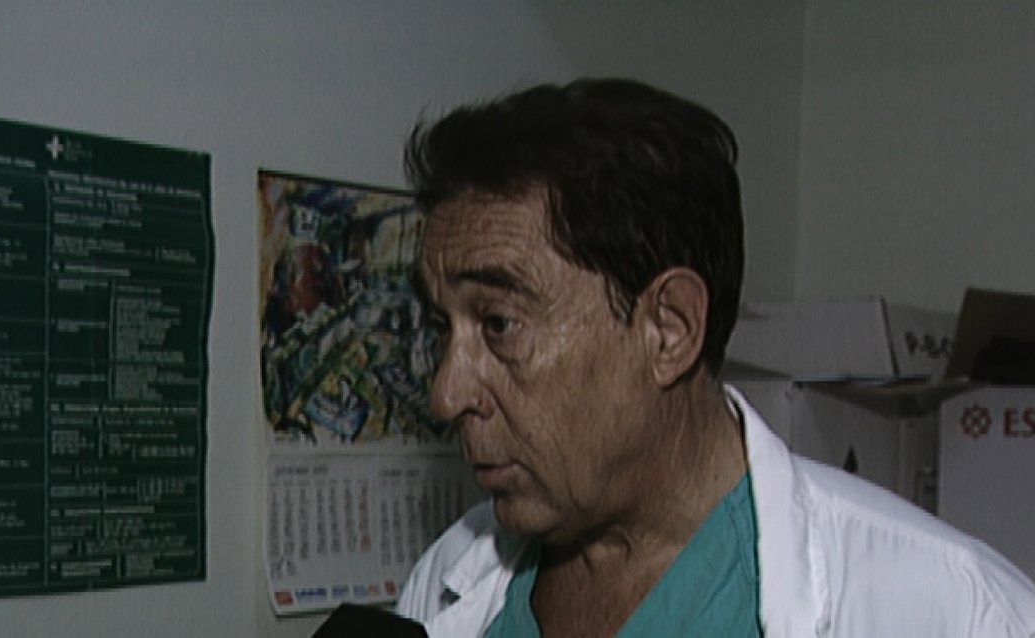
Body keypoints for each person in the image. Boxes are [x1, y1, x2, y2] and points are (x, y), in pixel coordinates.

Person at [394, 78, 1035, 637]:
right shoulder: (446, 580)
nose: (446, 394)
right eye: (442, 327)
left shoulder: (960, 613)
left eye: (499, 324)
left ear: (669, 329)